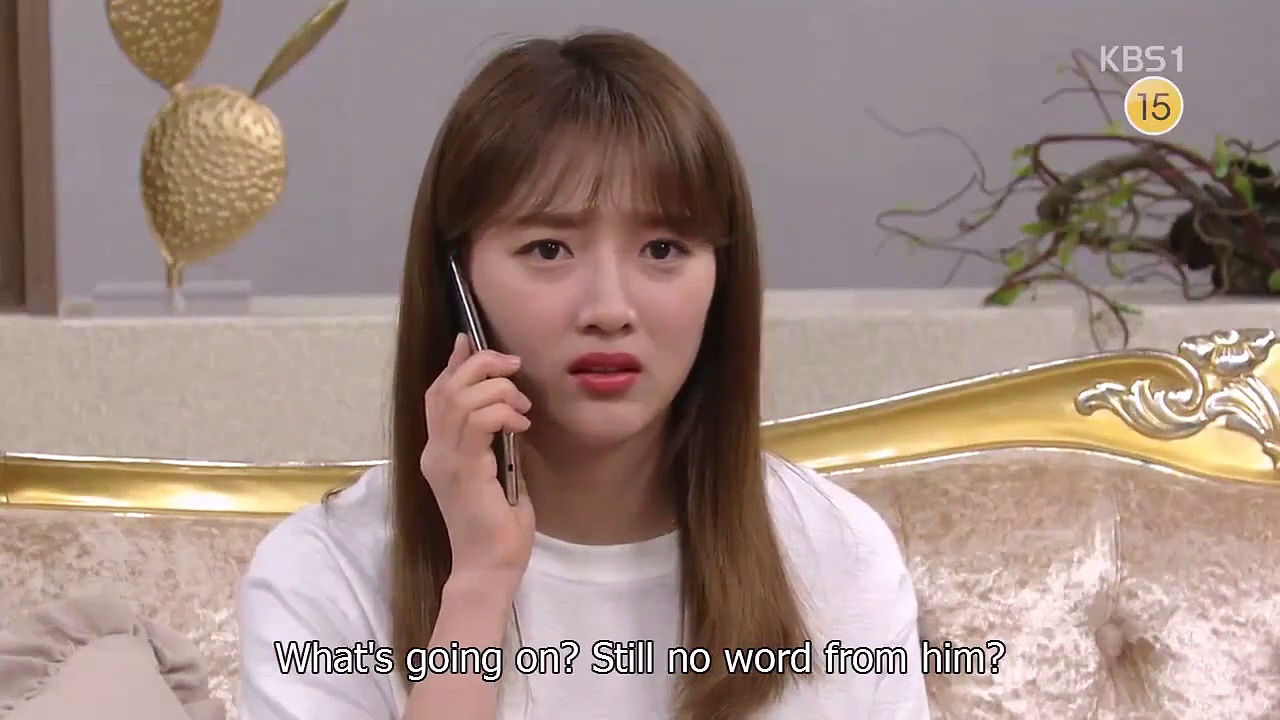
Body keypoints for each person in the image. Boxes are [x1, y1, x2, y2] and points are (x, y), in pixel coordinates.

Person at [236, 29, 931, 720]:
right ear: (458, 283)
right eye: (549, 249)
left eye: (663, 249)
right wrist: (478, 584)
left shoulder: (839, 553)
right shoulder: (322, 574)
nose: (609, 310)